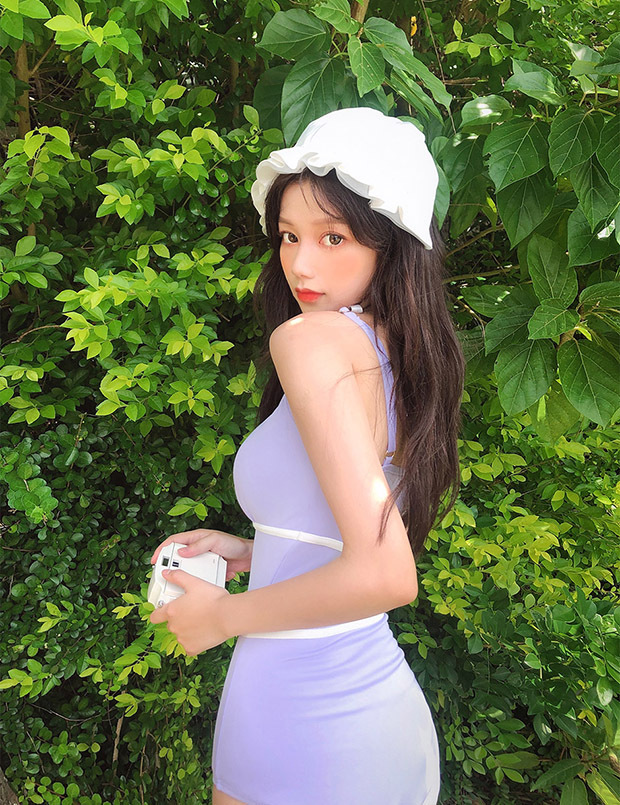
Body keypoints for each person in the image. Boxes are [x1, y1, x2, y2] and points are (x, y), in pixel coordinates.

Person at [150, 106, 466, 805]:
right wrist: (255, 550)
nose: (299, 263)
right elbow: (350, 537)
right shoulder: (401, 353)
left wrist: (221, 617)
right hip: (375, 719)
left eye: (334, 237)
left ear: (390, 244)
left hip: (302, 717)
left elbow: (386, 573)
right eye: (289, 236)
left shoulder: (312, 341)